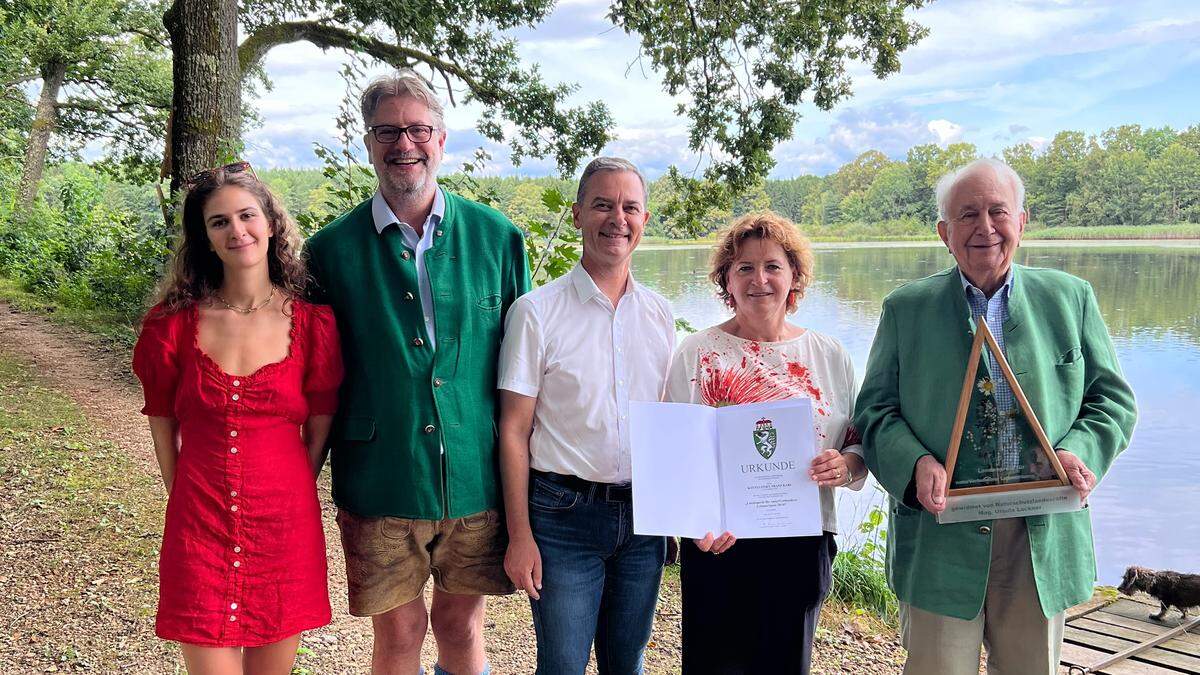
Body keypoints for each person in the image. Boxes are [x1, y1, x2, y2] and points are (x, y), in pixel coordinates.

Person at [855, 158, 1138, 675]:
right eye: (967, 215)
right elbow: (874, 412)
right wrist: (915, 462)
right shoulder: (906, 308)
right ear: (944, 232)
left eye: (997, 211)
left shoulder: (1071, 299)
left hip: (1042, 536)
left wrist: (1077, 450)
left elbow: (1112, 401)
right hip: (940, 537)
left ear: (1022, 221)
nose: (984, 228)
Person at [304, 71, 529, 675]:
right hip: (380, 475)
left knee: (461, 624)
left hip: (475, 471)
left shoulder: (499, 239)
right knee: (400, 632)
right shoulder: (330, 250)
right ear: (368, 142)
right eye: (387, 131)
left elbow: (524, 368)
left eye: (418, 129)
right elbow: (313, 371)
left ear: (441, 139)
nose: (404, 143)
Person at [132, 162, 343, 674]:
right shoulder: (173, 325)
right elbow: (162, 416)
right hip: (198, 519)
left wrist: (293, 486)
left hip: (284, 522)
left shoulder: (313, 325)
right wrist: (179, 487)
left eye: (246, 215)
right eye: (218, 222)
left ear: (270, 223)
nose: (237, 231)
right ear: (204, 238)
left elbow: (320, 425)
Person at [665, 211, 866, 674]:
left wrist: (846, 466)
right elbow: (675, 458)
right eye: (745, 268)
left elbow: (857, 447)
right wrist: (693, 526)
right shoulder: (697, 353)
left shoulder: (829, 354)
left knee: (786, 664)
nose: (760, 279)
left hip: (801, 540)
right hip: (718, 542)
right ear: (726, 281)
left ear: (794, 277)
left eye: (773, 266)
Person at [497, 157, 674, 673]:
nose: (617, 218)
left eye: (630, 207)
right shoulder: (536, 312)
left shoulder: (660, 315)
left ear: (643, 220)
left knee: (628, 662)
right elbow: (512, 430)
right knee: (562, 665)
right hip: (561, 517)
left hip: (644, 522)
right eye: (602, 204)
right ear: (577, 214)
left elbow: (670, 424)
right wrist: (520, 536)